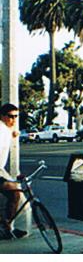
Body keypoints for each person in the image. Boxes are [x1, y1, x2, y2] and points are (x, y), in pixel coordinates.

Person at [0, 103, 27, 240]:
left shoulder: (5, 129)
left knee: (15, 194)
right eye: (11, 116)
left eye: (16, 116)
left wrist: (14, 134)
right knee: (15, 193)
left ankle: (7, 227)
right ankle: (7, 227)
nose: (14, 120)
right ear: (3, 116)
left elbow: (9, 133)